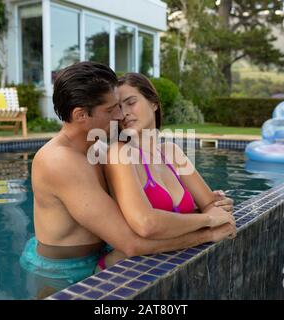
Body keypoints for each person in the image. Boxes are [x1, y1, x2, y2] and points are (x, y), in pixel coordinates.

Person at [19, 62, 236, 297]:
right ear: (81, 115)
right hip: (62, 272)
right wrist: (208, 232)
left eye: (125, 105)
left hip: (100, 254)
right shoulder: (58, 161)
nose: (121, 115)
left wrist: (208, 202)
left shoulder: (101, 148)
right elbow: (132, 243)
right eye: (112, 109)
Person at [96, 73, 236, 271]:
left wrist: (212, 209)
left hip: (170, 267)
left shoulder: (172, 152)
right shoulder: (120, 153)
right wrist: (207, 220)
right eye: (118, 107)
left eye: (131, 102)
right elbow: (146, 224)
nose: (124, 113)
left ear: (153, 102)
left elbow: (213, 204)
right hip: (122, 274)